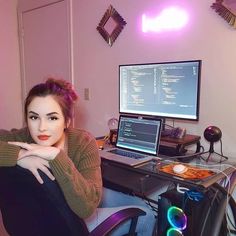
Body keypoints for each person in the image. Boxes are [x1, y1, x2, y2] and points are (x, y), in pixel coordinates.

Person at [0, 78, 156, 236]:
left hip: (43, 215)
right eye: (34, 117)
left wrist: (50, 155)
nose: (41, 127)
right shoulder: (23, 137)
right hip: (70, 219)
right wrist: (21, 155)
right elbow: (86, 209)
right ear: (27, 119)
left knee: (138, 202)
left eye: (52, 118)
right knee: (147, 215)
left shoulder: (82, 142)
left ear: (67, 121)